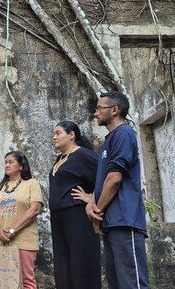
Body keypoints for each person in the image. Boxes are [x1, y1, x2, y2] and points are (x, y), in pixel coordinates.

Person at [87, 92, 150, 289]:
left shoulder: (124, 134)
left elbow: (115, 178)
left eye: (99, 108)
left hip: (124, 219)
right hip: (111, 222)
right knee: (117, 284)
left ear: (114, 110)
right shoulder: (108, 140)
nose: (95, 113)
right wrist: (92, 205)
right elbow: (103, 180)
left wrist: (98, 210)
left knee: (132, 283)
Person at [49, 121, 101, 289]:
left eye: (58, 133)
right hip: (58, 217)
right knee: (63, 265)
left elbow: (107, 175)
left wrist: (91, 197)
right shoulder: (60, 159)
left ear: (71, 135)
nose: (54, 137)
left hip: (77, 215)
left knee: (81, 262)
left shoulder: (83, 155)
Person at [0, 151, 43, 289]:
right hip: (3, 239)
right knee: (4, 282)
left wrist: (13, 230)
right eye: (6, 162)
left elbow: (34, 209)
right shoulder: (0, 187)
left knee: (26, 281)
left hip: (23, 240)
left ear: (21, 166)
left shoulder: (32, 183)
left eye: (11, 162)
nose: (7, 165)